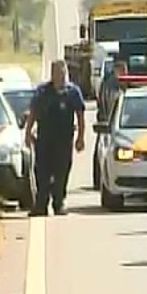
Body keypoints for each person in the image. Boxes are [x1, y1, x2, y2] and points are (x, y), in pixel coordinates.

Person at [25, 60, 85, 216]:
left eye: (63, 73)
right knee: (42, 173)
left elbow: (80, 115)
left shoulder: (73, 92)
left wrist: (81, 137)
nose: (61, 76)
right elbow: (33, 112)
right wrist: (28, 132)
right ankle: (41, 205)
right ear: (52, 74)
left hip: (64, 141)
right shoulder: (43, 92)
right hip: (44, 140)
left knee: (61, 172)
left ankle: (59, 203)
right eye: (58, 73)